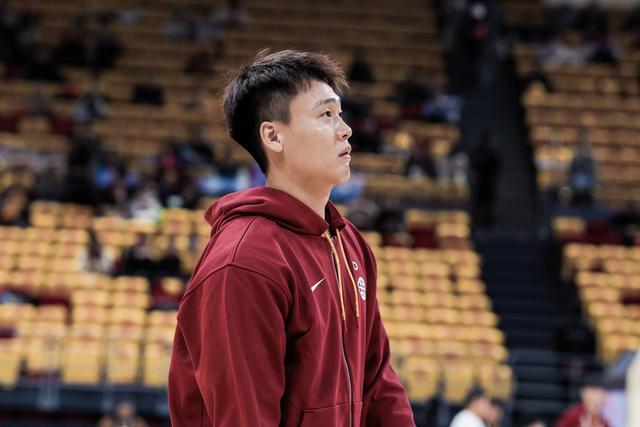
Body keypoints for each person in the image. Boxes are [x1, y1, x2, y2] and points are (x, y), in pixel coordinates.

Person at [168, 49, 414, 426]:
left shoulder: (349, 243)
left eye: (341, 114)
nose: (345, 129)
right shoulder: (244, 261)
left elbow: (378, 383)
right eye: (326, 115)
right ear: (273, 136)